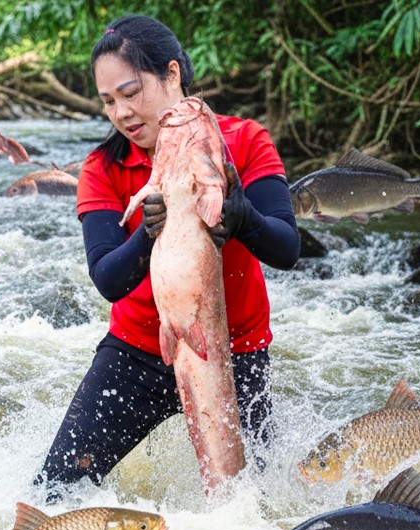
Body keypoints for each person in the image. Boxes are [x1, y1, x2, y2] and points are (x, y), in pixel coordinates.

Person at [35, 14, 300, 502]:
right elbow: (107, 277)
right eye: (109, 101)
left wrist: (242, 216)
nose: (122, 112)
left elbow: (287, 247)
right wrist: (146, 234)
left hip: (234, 353)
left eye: (132, 92)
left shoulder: (241, 141)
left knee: (256, 513)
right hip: (139, 350)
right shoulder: (104, 167)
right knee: (53, 494)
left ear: (172, 74)